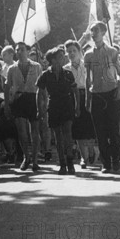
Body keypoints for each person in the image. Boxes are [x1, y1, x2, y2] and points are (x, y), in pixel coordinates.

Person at [84, 21, 120, 173]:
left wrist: (119, 92)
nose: (94, 34)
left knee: (113, 130)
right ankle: (106, 163)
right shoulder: (88, 54)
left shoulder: (112, 51)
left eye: (97, 31)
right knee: (100, 132)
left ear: (104, 33)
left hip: (111, 93)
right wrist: (88, 100)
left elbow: (119, 75)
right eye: (92, 31)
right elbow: (88, 78)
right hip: (97, 95)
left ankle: (116, 160)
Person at [37, 46, 80, 175]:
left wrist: (77, 106)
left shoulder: (67, 74)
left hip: (67, 105)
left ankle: (70, 162)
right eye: (60, 57)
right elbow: (39, 92)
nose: (63, 58)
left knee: (68, 134)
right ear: (53, 60)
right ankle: (62, 163)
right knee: (58, 136)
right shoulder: (45, 75)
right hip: (54, 105)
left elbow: (75, 91)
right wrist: (40, 109)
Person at [4, 42, 43, 171]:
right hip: (19, 99)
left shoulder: (37, 66)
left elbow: (42, 87)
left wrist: (43, 102)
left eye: (22, 49)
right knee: (22, 131)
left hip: (33, 98)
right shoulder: (12, 68)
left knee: (35, 131)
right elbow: (7, 86)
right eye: (17, 50)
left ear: (27, 51)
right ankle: (26, 156)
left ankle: (35, 159)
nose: (19, 52)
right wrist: (7, 104)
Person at [64, 40, 98, 169]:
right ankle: (83, 157)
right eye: (69, 51)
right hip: (73, 97)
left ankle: (91, 150)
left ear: (80, 52)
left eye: (74, 51)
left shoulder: (87, 66)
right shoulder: (66, 69)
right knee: (77, 128)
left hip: (88, 95)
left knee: (89, 126)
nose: (72, 53)